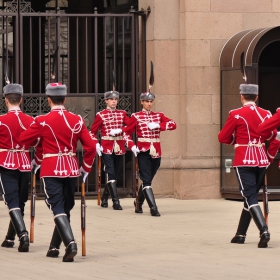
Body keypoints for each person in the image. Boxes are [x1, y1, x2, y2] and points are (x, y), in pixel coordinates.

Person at [19, 82, 96, 262]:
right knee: (65, 206)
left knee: (57, 207)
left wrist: (39, 141)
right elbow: (90, 146)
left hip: (51, 167)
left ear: (48, 100)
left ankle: (70, 243)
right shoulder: (76, 119)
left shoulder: (41, 120)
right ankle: (54, 247)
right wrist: (85, 168)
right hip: (71, 168)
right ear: (65, 98)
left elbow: (23, 140)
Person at [218, 83, 280, 248]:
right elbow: (274, 137)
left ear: (241, 96)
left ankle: (264, 231)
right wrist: (270, 156)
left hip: (244, 158)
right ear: (257, 97)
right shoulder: (266, 114)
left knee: (249, 196)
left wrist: (236, 141)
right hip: (261, 160)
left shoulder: (236, 114)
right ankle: (240, 234)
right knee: (250, 196)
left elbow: (223, 137)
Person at [117, 91, 176, 217]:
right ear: (141, 102)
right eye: (147, 102)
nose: (149, 104)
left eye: (151, 102)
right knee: (147, 181)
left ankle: (138, 202)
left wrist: (159, 125)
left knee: (147, 179)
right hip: (143, 151)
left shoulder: (159, 115)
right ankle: (153, 208)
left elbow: (173, 124)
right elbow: (126, 133)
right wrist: (132, 146)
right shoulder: (136, 116)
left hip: (156, 151)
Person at [0, 83, 34, 252]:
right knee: (20, 201)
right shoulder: (31, 120)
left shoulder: (1, 120)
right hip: (25, 162)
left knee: (11, 199)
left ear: (6, 100)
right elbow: (36, 142)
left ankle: (23, 234)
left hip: (6, 161)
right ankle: (9, 238)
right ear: (20, 100)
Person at [90, 90, 134, 210]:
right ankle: (116, 201)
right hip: (107, 146)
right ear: (106, 101)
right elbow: (92, 132)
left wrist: (121, 130)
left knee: (116, 173)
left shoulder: (122, 113)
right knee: (110, 172)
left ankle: (105, 198)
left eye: (115, 99)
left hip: (119, 146)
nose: (114, 101)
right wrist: (96, 144)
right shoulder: (101, 115)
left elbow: (131, 126)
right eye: (111, 99)